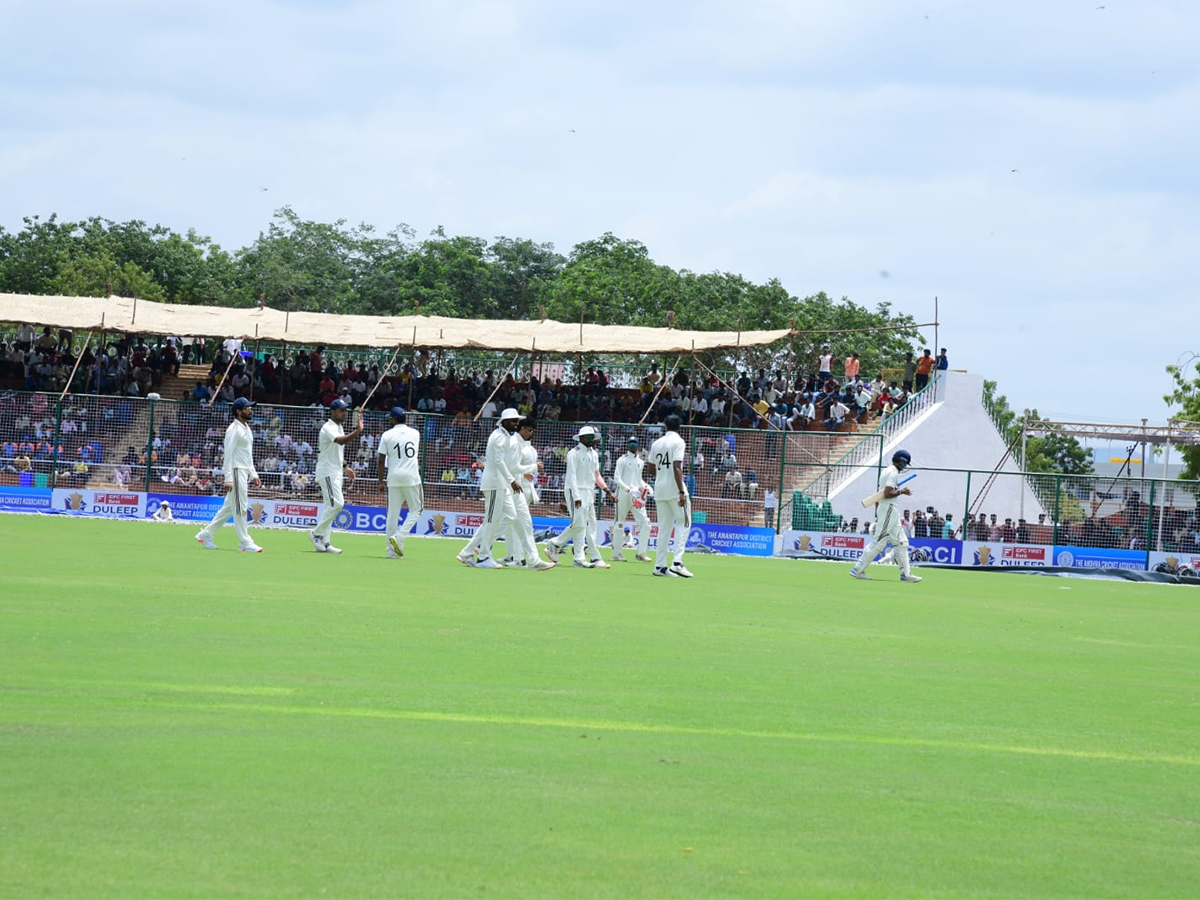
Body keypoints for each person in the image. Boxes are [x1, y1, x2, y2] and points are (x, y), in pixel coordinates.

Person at [195, 397, 264, 552]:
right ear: (239, 411)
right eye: (247, 408)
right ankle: (245, 542)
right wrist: (228, 478)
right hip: (236, 471)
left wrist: (253, 473)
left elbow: (247, 454)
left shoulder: (246, 428)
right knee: (241, 508)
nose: (250, 410)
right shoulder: (234, 429)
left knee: (228, 508)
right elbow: (228, 454)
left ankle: (205, 534)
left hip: (244, 471)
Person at [457, 408, 523, 569]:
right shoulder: (499, 436)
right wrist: (512, 480)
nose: (517, 423)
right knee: (491, 520)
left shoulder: (506, 436)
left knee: (510, 516)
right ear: (505, 422)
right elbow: (499, 461)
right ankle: (483, 556)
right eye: (514, 421)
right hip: (494, 483)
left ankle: (469, 551)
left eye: (517, 420)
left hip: (501, 484)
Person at [544, 425, 616, 568]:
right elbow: (571, 477)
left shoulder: (594, 454)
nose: (593, 440)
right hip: (574, 491)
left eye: (594, 437)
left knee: (590, 524)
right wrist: (576, 496)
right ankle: (581, 558)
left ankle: (556, 544)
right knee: (580, 524)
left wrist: (607, 491)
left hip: (589, 491)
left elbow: (597, 475)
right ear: (582, 438)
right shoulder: (574, 453)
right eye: (590, 437)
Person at [849, 449, 921, 583]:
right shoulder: (892, 473)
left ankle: (906, 574)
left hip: (889, 510)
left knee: (902, 543)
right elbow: (887, 494)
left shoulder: (886, 471)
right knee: (879, 541)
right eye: (905, 464)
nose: (905, 467)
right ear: (901, 461)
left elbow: (880, 493)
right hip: (888, 509)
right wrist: (902, 491)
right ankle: (858, 569)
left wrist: (877, 512)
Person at [309, 399, 365, 554]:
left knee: (329, 506)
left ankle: (325, 543)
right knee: (337, 504)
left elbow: (336, 452)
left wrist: (346, 467)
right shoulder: (328, 427)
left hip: (336, 471)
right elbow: (340, 442)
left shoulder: (339, 427)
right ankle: (316, 533)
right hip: (327, 471)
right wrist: (358, 431)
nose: (344, 413)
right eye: (341, 410)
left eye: (345, 410)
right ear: (332, 412)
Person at [501, 417, 555, 571]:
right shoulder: (515, 443)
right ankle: (480, 548)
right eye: (529, 430)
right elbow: (510, 466)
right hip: (514, 487)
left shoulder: (529, 448)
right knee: (508, 522)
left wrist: (530, 471)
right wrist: (530, 470)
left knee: (521, 524)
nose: (531, 433)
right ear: (522, 428)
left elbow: (520, 468)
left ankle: (527, 559)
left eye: (533, 431)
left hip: (523, 488)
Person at [647, 414, 694, 578]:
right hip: (674, 488)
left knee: (664, 528)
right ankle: (677, 562)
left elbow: (651, 470)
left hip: (660, 488)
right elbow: (677, 466)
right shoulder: (679, 442)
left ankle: (659, 566)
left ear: (665, 427)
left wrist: (662, 472)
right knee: (685, 522)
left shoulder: (656, 443)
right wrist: (681, 491)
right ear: (679, 427)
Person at [376, 407, 423, 559]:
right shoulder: (415, 433)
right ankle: (400, 536)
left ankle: (391, 551)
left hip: (393, 477)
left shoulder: (387, 435)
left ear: (394, 420)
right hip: (411, 476)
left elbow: (381, 460)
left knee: (392, 514)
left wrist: (381, 481)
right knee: (417, 509)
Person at [611, 437, 652, 562]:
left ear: (638, 445)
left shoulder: (640, 462)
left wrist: (647, 487)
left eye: (635, 443)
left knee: (645, 524)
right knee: (619, 524)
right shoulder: (622, 460)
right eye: (630, 443)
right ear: (627, 445)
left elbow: (638, 480)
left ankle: (641, 553)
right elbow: (617, 478)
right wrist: (628, 489)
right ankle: (617, 554)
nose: (632, 445)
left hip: (636, 496)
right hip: (623, 495)